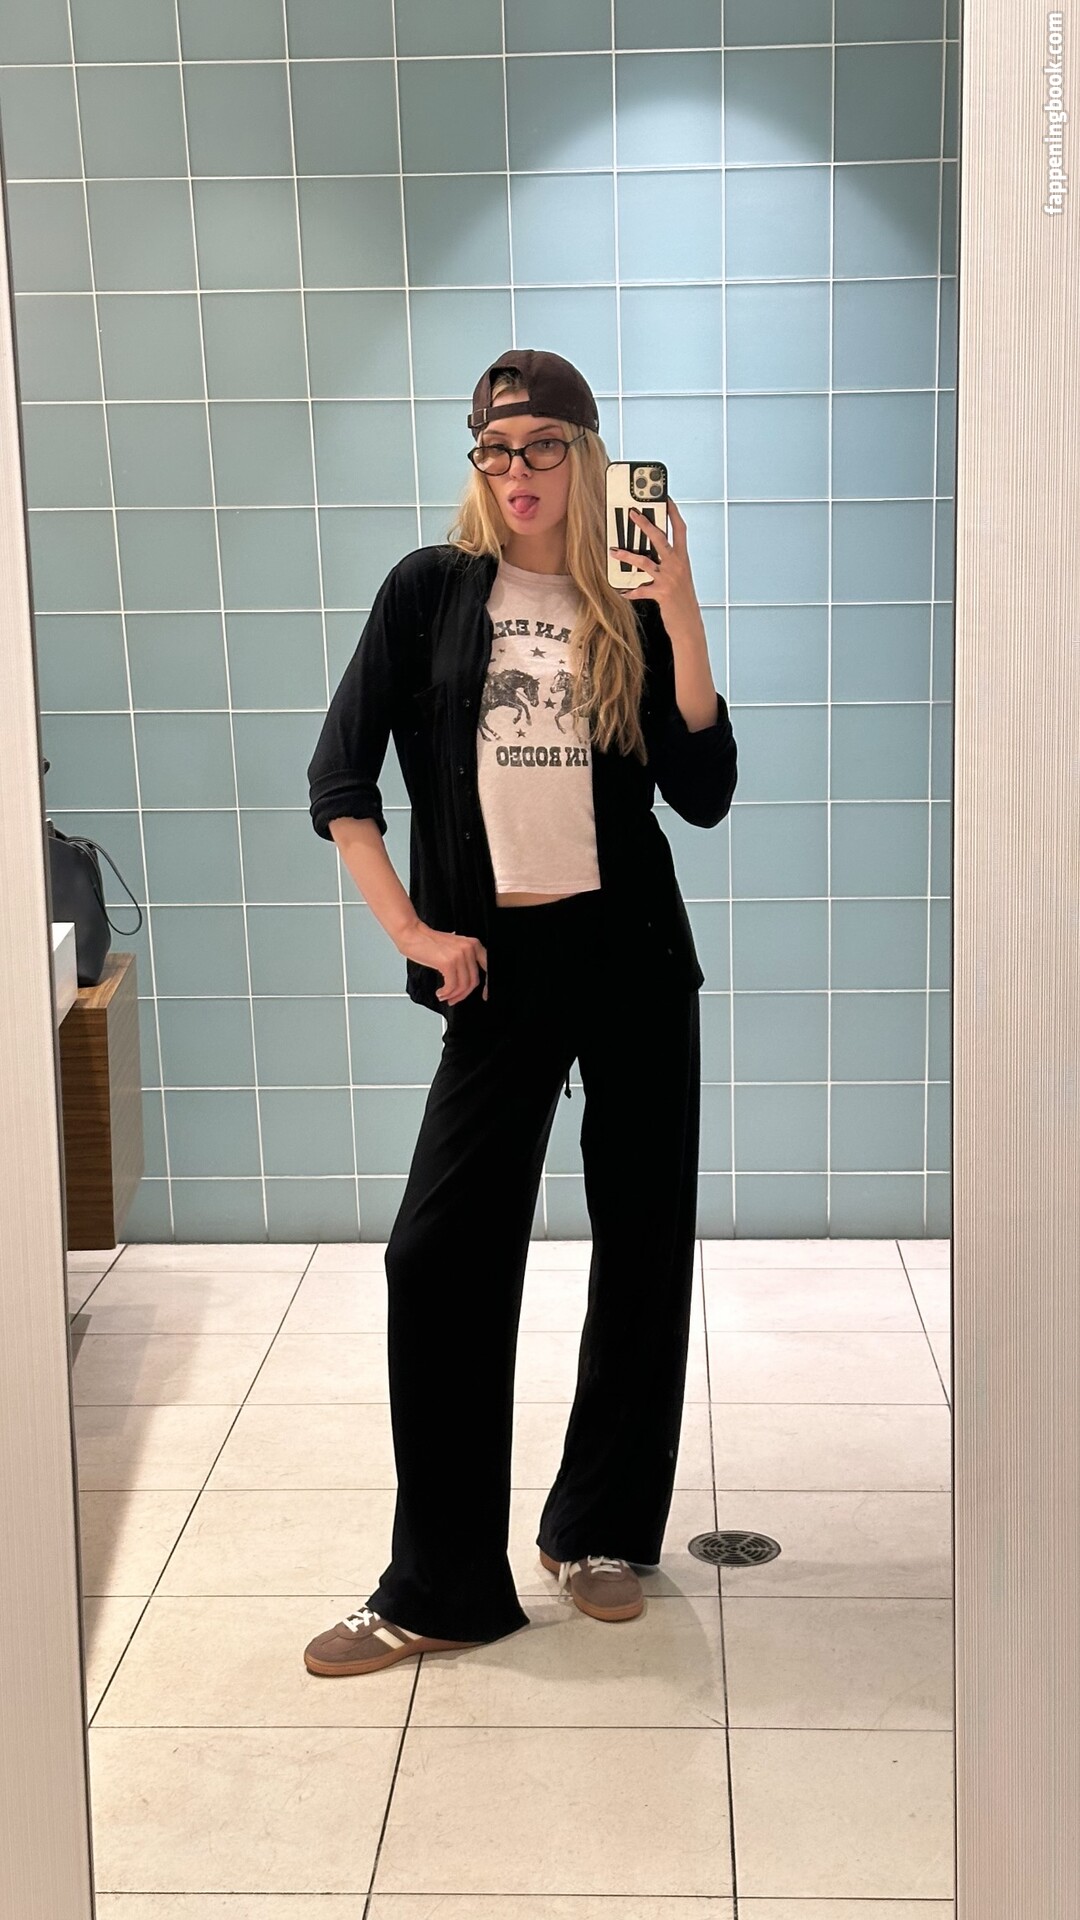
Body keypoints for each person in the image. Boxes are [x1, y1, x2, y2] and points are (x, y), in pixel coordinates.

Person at [302, 349, 737, 1676]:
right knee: (437, 1257)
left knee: (643, 1241)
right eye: (496, 447)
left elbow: (704, 791)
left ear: (587, 456)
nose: (518, 470)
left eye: (545, 444)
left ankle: (601, 1528)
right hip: (497, 968)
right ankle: (442, 1586)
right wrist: (416, 934)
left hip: (634, 958)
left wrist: (682, 612)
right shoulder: (431, 592)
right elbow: (341, 780)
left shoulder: (625, 597)